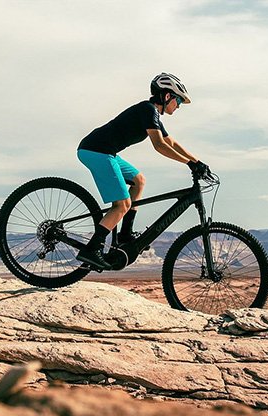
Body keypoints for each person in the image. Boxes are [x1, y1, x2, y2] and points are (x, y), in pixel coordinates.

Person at [75, 72, 209, 269]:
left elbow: (171, 142)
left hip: (106, 151)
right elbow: (160, 146)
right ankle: (92, 249)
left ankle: (125, 234)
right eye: (178, 100)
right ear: (167, 96)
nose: (178, 105)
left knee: (139, 180)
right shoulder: (147, 110)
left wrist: (197, 161)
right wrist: (189, 164)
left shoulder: (152, 113)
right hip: (96, 151)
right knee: (122, 205)